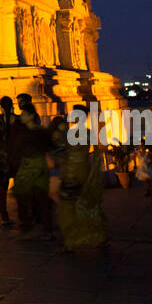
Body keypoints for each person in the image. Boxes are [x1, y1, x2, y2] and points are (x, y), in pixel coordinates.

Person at [54, 105, 108, 250]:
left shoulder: (79, 134)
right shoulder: (76, 133)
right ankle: (76, 238)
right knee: (75, 205)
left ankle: (75, 239)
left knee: (76, 204)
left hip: (80, 171)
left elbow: (70, 150)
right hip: (74, 170)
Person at [12, 102, 52, 238]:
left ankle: (45, 229)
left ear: (31, 116)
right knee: (33, 200)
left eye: (23, 114)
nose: (21, 116)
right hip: (31, 168)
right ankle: (36, 228)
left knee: (40, 200)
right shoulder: (26, 132)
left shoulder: (38, 132)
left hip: (35, 169)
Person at [0, 96, 20, 228]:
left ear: (1, 107)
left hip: (2, 158)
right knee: (20, 188)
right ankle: (22, 214)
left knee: (2, 190)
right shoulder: (18, 121)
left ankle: (4, 217)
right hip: (16, 158)